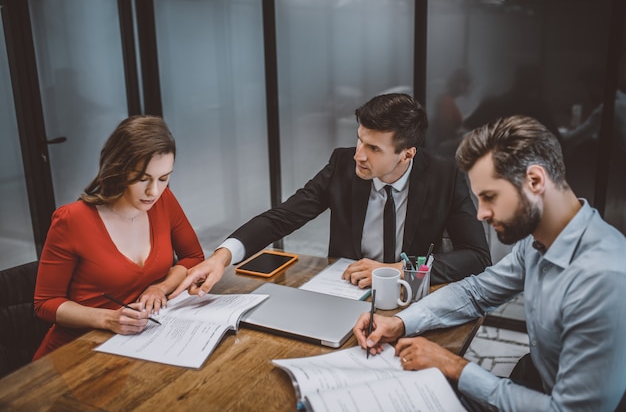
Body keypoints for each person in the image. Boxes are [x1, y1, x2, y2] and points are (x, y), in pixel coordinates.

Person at [352, 115, 626, 412]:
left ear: (535, 180)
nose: (481, 214)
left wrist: (455, 366)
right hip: (532, 381)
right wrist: (400, 322)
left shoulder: (605, 279)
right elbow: (475, 292)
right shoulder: (537, 242)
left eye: (490, 197)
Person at [170, 93, 491, 299]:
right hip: (344, 291)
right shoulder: (342, 165)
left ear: (407, 154)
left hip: (408, 294)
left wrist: (401, 270)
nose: (359, 156)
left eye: (374, 149)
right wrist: (221, 257)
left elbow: (477, 255)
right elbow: (281, 218)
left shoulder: (444, 176)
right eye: (359, 140)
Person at [33, 115, 204, 360]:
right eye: (142, 178)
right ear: (119, 169)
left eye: (164, 179)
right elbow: (45, 303)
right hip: (74, 354)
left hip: (138, 347)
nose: (153, 191)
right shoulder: (72, 219)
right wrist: (107, 318)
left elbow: (193, 257)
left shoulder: (164, 201)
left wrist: (161, 287)